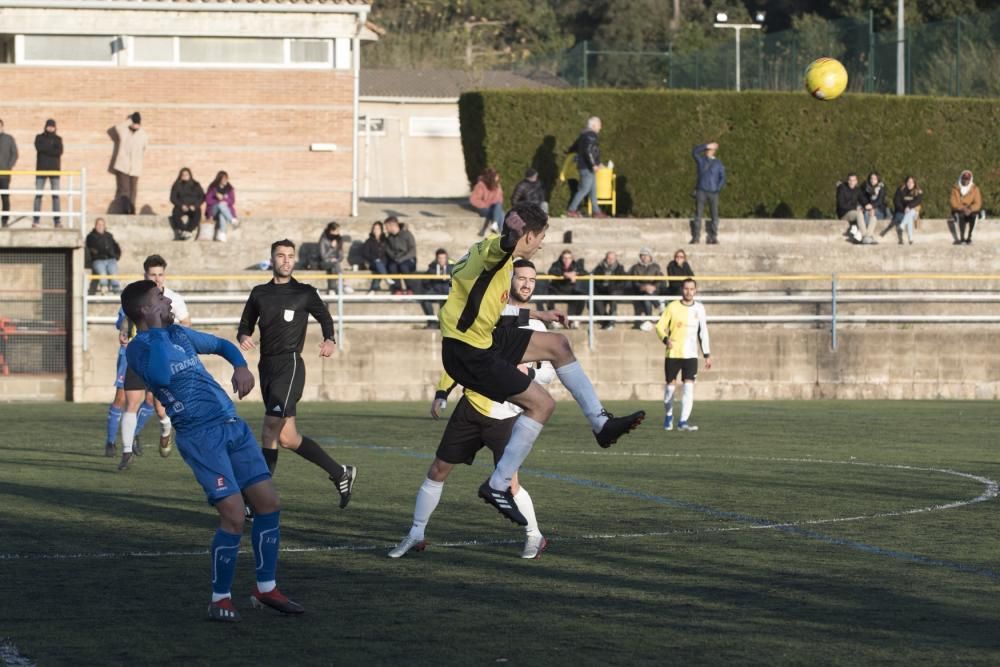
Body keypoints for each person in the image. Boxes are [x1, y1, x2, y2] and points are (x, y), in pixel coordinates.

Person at [439, 202, 644, 525]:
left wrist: (539, 315)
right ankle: (497, 483)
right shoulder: (499, 252)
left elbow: (491, 308)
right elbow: (505, 244)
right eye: (540, 237)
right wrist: (513, 234)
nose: (542, 244)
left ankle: (601, 424)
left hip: (482, 340)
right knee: (543, 405)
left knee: (558, 344)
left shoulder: (489, 256)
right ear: (528, 235)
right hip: (468, 352)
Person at [120, 279, 304, 622]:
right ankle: (220, 598)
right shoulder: (139, 347)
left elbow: (222, 345)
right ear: (146, 310)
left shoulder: (180, 334)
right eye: (161, 298)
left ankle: (266, 590)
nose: (170, 301)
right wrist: (159, 331)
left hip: (231, 426)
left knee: (269, 504)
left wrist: (240, 366)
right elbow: (159, 377)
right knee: (234, 514)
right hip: (200, 436)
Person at [390, 259, 555, 560]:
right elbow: (463, 355)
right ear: (509, 281)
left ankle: (534, 535)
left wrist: (525, 374)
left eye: (532, 279)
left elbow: (546, 375)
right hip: (472, 405)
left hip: (506, 415)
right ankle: (416, 533)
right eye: (521, 278)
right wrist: (443, 390)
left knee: (509, 482)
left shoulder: (537, 325)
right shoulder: (487, 315)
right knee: (438, 469)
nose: (527, 284)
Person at [237, 239, 357, 509]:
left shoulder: (304, 292)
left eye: (291, 256)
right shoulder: (259, 293)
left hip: (290, 366)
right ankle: (341, 473)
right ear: (272, 259)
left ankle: (255, 501)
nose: (287, 260)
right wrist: (244, 334)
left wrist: (329, 339)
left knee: (269, 429)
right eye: (281, 256)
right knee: (287, 437)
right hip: (266, 366)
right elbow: (245, 323)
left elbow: (325, 317)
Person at [115, 254, 190, 469]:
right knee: (131, 402)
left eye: (160, 274)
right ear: (145, 275)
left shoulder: (173, 299)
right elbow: (128, 319)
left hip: (162, 357)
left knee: (160, 407)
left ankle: (166, 430)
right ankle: (127, 452)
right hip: (138, 354)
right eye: (152, 274)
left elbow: (187, 324)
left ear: (164, 275)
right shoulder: (139, 296)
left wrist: (172, 333)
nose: (157, 278)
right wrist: (123, 332)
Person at [655, 278, 712, 432]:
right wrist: (665, 339)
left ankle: (683, 421)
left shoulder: (700, 308)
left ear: (695, 290)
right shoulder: (672, 306)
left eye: (691, 289)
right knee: (670, 390)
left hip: (691, 355)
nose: (689, 292)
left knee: (688, 388)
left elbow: (703, 332)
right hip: (673, 354)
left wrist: (707, 354)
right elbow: (659, 326)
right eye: (686, 289)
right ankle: (668, 415)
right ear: (682, 289)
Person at [565, 117, 607, 219]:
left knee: (593, 190)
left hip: (585, 166)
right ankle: (571, 210)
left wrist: (598, 163)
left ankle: (596, 211)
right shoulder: (591, 135)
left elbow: (575, 148)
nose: (600, 127)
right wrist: (594, 165)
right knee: (584, 189)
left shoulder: (583, 135)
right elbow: (589, 151)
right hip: (587, 167)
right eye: (599, 125)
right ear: (593, 126)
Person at [112, 112, 147, 214]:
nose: (135, 125)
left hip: (136, 166)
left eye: (137, 122)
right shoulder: (124, 131)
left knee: (133, 190)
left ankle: (132, 210)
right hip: (123, 166)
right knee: (124, 190)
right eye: (134, 122)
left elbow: (145, 149)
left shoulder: (143, 135)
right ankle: (125, 210)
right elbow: (116, 128)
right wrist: (129, 120)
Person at [691, 142, 726, 244]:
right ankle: (696, 237)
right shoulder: (701, 161)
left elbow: (722, 177)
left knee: (715, 215)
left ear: (714, 152)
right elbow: (694, 152)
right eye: (707, 150)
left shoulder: (718, 163)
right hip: (701, 191)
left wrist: (717, 189)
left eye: (710, 150)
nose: (708, 151)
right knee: (698, 215)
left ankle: (713, 237)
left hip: (713, 192)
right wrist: (706, 145)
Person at [545, 249, 588, 328]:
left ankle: (575, 320)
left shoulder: (575, 265)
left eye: (569, 258)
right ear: (561, 258)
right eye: (564, 258)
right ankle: (553, 321)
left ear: (572, 258)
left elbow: (585, 272)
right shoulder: (556, 264)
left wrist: (575, 273)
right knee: (549, 296)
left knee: (581, 296)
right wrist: (564, 274)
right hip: (557, 290)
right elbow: (551, 271)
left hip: (570, 291)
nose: (567, 260)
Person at [33, 119, 63, 228]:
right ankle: (36, 221)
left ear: (55, 127)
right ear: (45, 126)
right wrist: (51, 148)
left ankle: (57, 221)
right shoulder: (39, 137)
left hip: (54, 170)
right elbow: (39, 148)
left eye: (52, 126)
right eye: (49, 126)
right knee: (38, 195)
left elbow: (59, 152)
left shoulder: (58, 139)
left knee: (55, 196)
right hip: (41, 169)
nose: (50, 128)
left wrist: (47, 149)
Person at [629, 247, 662, 331]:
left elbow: (659, 279)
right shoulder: (635, 267)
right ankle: (659, 307)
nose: (644, 257)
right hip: (641, 290)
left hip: (653, 290)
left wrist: (653, 287)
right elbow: (635, 281)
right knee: (646, 297)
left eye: (646, 255)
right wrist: (643, 287)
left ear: (650, 257)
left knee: (647, 297)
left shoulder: (655, 267)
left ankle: (649, 320)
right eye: (642, 255)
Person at [86, 218, 122, 295]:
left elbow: (116, 246)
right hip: (98, 260)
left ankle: (117, 293)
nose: (100, 226)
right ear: (95, 225)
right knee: (103, 274)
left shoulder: (109, 236)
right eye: (98, 224)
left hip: (111, 259)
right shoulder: (90, 236)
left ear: (105, 226)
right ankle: (104, 290)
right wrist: (97, 253)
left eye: (102, 224)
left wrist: (116, 255)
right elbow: (90, 248)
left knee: (113, 274)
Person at [836, 173, 875, 244]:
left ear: (856, 181)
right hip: (844, 214)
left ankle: (868, 236)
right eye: (850, 180)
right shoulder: (842, 188)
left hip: (854, 212)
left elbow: (863, 200)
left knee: (873, 217)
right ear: (848, 181)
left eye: (853, 180)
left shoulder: (857, 190)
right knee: (859, 214)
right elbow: (841, 205)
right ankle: (864, 236)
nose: (852, 182)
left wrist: (869, 207)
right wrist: (855, 208)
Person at [592, 250, 627, 330]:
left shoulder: (620, 268)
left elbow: (622, 283)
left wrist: (611, 288)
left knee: (613, 297)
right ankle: (607, 321)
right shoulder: (599, 268)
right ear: (605, 258)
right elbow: (596, 282)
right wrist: (603, 287)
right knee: (596, 301)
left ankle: (611, 322)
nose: (610, 260)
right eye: (609, 258)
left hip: (614, 291)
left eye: (612, 258)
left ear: (615, 259)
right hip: (602, 291)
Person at [419, 248, 452, 329]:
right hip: (435, 291)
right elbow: (425, 281)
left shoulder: (452, 267)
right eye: (440, 258)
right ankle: (432, 322)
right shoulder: (432, 267)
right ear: (437, 259)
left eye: (443, 258)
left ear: (446, 258)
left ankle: (444, 324)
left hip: (448, 292)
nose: (441, 260)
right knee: (425, 299)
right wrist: (430, 287)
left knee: (448, 302)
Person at [169, 167, 205, 240]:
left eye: (187, 174)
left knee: (197, 214)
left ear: (190, 175)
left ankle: (188, 231)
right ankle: (182, 230)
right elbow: (173, 198)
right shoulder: (176, 185)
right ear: (180, 176)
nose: (185, 176)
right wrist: (181, 205)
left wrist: (195, 206)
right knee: (175, 214)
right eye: (183, 175)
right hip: (181, 206)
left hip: (193, 206)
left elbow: (202, 197)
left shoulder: (196, 184)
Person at [949, 170, 982, 245]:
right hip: (959, 209)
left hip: (971, 210)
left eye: (968, 179)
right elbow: (953, 202)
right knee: (960, 216)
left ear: (970, 179)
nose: (966, 181)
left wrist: (970, 209)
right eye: (964, 178)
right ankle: (962, 238)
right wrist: (962, 208)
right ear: (961, 178)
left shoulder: (975, 189)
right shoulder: (955, 189)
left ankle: (969, 237)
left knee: (974, 216)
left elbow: (978, 203)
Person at [384, 216, 416, 294]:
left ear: (393, 225)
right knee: (392, 267)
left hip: (408, 259)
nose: (386, 229)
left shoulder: (407, 234)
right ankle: (398, 289)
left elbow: (412, 250)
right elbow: (388, 250)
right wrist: (394, 257)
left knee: (403, 266)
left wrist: (402, 259)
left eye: (387, 226)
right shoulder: (389, 237)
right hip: (396, 259)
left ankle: (410, 289)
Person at [204, 171, 238, 242]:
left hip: (224, 210)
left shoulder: (229, 188)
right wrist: (218, 200)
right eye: (223, 179)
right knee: (220, 204)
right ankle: (232, 220)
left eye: (226, 178)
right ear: (219, 179)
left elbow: (232, 201)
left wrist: (224, 199)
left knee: (222, 214)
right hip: (213, 210)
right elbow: (208, 200)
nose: (225, 180)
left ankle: (222, 234)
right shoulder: (212, 187)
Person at [469, 168, 504, 236]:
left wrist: (494, 203)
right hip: (483, 208)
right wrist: (486, 204)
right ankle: (502, 233)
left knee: (498, 207)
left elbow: (500, 199)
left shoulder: (497, 186)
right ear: (491, 177)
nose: (498, 178)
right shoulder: (481, 185)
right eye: (496, 176)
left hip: (494, 207)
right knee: (500, 213)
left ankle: (494, 225)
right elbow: (474, 199)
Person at [319, 221, 350, 294]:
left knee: (334, 265)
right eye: (337, 231)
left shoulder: (339, 239)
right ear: (331, 231)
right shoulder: (323, 240)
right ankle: (343, 284)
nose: (338, 233)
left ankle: (332, 289)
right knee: (335, 264)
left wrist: (336, 259)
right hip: (324, 263)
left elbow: (341, 256)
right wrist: (331, 248)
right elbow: (323, 256)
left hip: (335, 263)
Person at [889, 176, 922, 246]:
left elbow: (918, 201)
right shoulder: (901, 189)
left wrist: (909, 207)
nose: (910, 184)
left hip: (915, 213)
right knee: (909, 217)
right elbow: (896, 201)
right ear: (906, 182)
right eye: (908, 182)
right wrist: (903, 209)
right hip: (902, 211)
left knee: (911, 211)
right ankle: (910, 239)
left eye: (912, 182)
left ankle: (902, 226)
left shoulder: (917, 191)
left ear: (914, 183)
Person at [361, 220, 391, 293]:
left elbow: (389, 252)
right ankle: (386, 278)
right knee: (378, 264)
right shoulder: (369, 241)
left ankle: (374, 289)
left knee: (380, 267)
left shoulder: (386, 240)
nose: (375, 230)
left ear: (381, 230)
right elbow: (365, 253)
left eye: (377, 228)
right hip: (373, 263)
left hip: (384, 262)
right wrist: (374, 258)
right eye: (374, 228)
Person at [0, 118, 18, 227]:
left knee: (5, 197)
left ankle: (4, 220)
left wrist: (8, 167)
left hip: (4, 175)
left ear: (2, 126)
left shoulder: (9, 138)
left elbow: (15, 154)